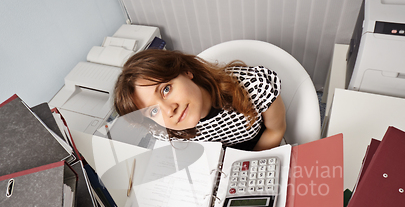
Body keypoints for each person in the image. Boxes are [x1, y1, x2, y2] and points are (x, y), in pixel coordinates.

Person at [113, 49, 286, 151]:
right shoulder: (162, 131)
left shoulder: (253, 86)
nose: (169, 110)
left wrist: (247, 170)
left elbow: (275, 130)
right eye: (153, 110)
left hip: (260, 152)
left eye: (166, 89)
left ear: (186, 71)